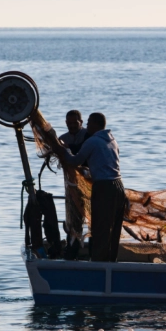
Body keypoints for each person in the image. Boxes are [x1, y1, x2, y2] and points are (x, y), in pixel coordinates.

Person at [53, 112, 125, 262]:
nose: (87, 125)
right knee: (114, 228)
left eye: (89, 122)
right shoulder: (112, 141)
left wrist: (64, 150)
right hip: (119, 186)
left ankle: (99, 263)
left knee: (100, 227)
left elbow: (74, 161)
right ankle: (111, 261)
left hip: (104, 187)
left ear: (96, 124)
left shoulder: (92, 141)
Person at [58, 110, 89, 259]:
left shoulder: (89, 136)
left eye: (75, 123)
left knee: (92, 219)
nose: (71, 126)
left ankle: (92, 249)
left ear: (81, 122)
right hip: (71, 185)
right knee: (74, 219)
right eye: (69, 123)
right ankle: (73, 247)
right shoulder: (62, 139)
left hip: (90, 184)